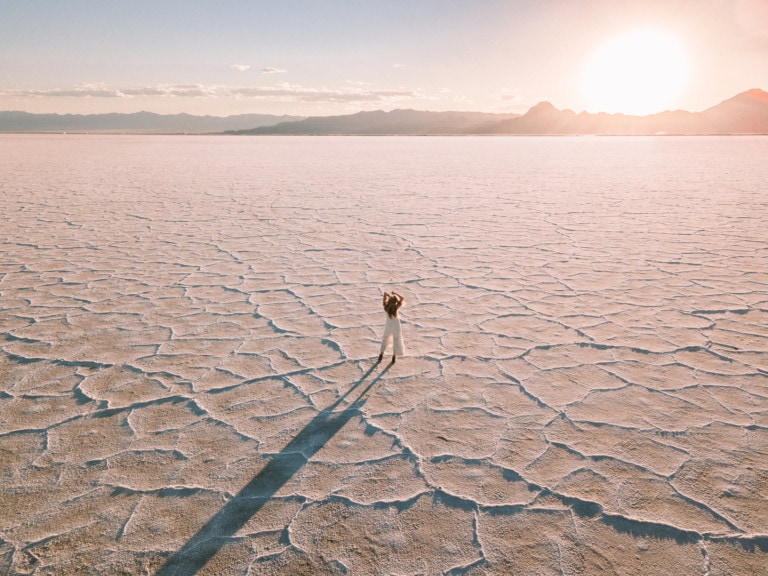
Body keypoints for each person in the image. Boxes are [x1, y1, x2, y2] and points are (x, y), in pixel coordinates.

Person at [379, 291, 405, 364]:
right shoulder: (396, 307)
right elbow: (402, 298)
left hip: (388, 325)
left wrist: (387, 295)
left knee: (385, 338)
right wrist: (396, 293)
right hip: (396, 325)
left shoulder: (386, 307)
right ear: (395, 302)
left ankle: (381, 354)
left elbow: (384, 297)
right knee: (396, 340)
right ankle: (394, 356)